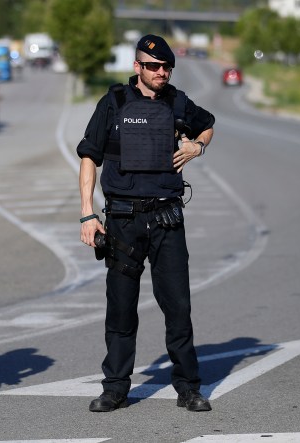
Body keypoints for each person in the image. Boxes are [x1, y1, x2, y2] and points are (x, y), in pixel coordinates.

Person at [77, 34, 215, 413]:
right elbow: (89, 157)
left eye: (166, 67)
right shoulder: (114, 103)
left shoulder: (178, 102)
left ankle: (188, 388)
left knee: (178, 308)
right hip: (122, 220)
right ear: (137, 67)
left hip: (167, 218)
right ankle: (115, 388)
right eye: (153, 66)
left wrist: (196, 146)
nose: (161, 72)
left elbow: (208, 124)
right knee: (120, 308)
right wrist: (88, 213)